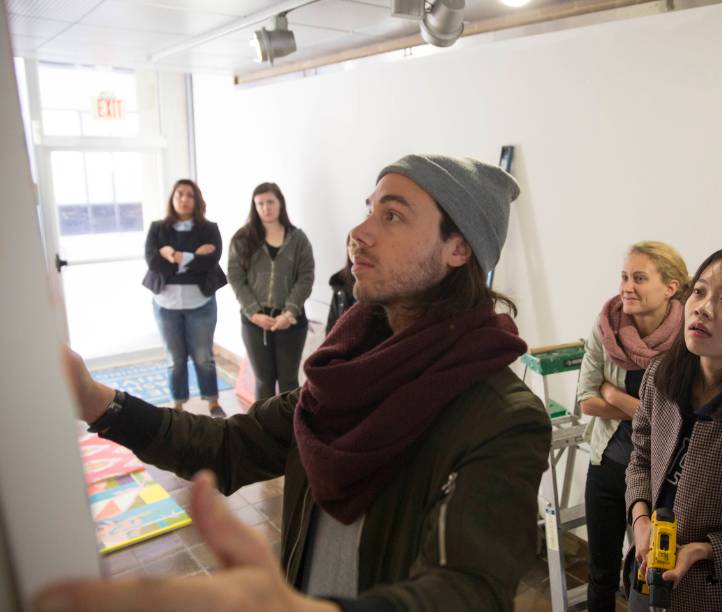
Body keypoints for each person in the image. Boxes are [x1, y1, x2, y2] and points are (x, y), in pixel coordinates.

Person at [37, 155, 552, 612]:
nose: (360, 231)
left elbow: (468, 590)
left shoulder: (502, 418)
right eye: (369, 209)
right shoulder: (348, 372)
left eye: (391, 215)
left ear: (458, 248)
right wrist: (98, 402)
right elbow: (230, 445)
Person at [624, 247, 722, 612]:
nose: (703, 307)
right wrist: (640, 520)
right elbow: (640, 458)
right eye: (700, 291)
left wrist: (704, 551)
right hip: (647, 575)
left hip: (716, 592)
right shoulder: (661, 376)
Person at [576, 241, 690, 612]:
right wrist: (638, 408)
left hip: (661, 478)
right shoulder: (606, 325)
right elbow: (587, 400)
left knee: (650, 573)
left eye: (640, 278)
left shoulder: (689, 339)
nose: (627, 286)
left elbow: (679, 420)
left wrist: (614, 395)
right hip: (607, 465)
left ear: (670, 287)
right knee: (600, 574)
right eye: (625, 276)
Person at [143, 179, 227, 415]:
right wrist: (193, 256)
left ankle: (212, 401)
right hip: (165, 305)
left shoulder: (209, 229)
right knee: (175, 358)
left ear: (197, 200)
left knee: (203, 357)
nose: (184, 199)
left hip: (200, 303)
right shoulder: (158, 228)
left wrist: (174, 255)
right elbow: (152, 261)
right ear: (172, 198)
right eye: (179, 194)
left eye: (190, 195)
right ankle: (178, 404)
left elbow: (211, 260)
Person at [228, 183, 315, 400]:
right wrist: (254, 313)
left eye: (270, 202)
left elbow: (306, 278)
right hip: (255, 321)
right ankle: (262, 432)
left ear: (280, 203)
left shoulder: (298, 239)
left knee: (288, 381)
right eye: (260, 204)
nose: (266, 208)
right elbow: (235, 277)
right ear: (254, 207)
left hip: (290, 322)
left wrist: (289, 313)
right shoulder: (242, 239)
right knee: (263, 381)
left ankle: (290, 431)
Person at [325, 235, 356, 335]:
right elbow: (332, 325)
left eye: (362, 246)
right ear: (348, 249)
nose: (358, 251)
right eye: (353, 245)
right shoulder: (340, 282)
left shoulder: (383, 283)